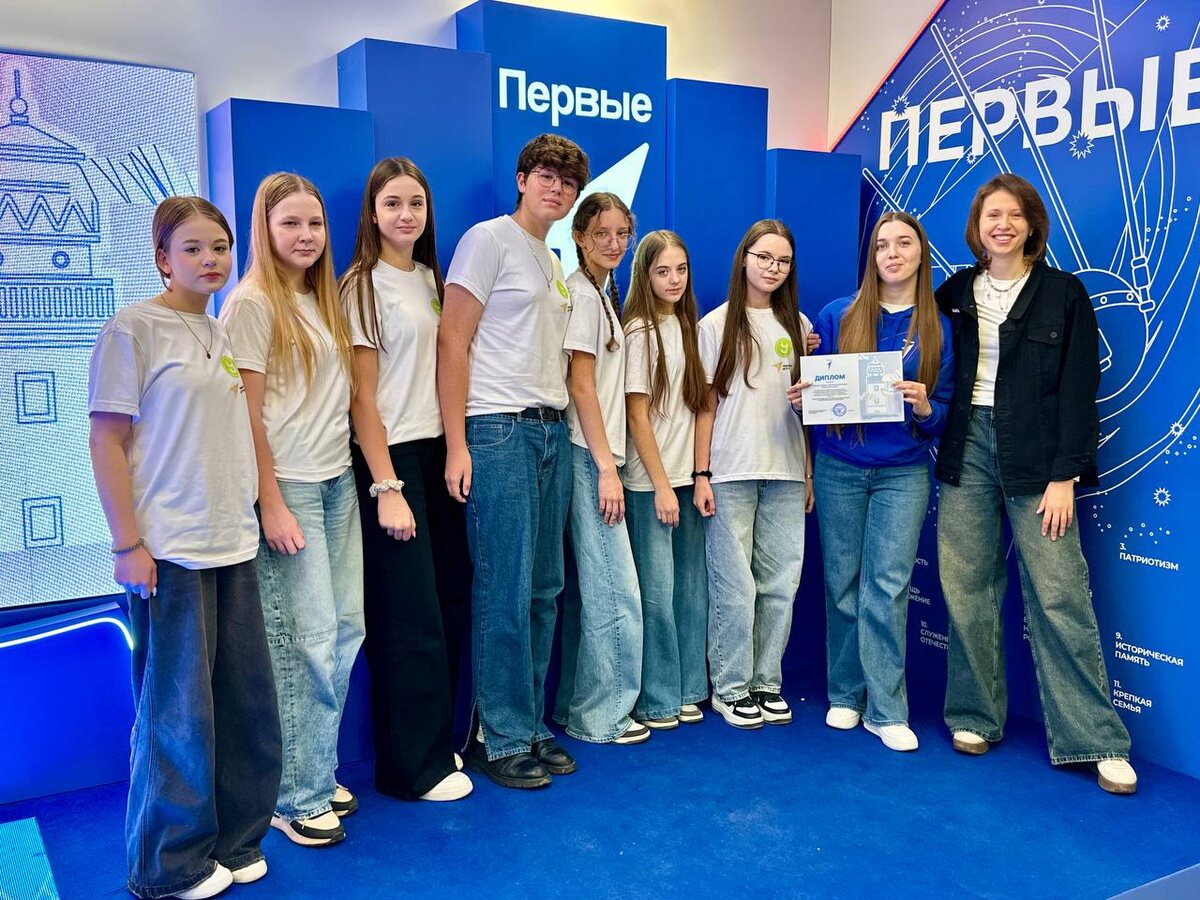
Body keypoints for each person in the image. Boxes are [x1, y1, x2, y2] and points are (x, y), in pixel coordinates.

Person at [89, 196, 281, 899]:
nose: (209, 259)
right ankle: (167, 867)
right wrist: (127, 543)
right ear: (162, 259)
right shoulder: (133, 328)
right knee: (177, 716)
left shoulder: (218, 330)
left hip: (232, 543)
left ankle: (234, 840)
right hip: (169, 551)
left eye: (219, 247)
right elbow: (106, 440)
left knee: (244, 706)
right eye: (193, 248)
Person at [935, 172, 1136, 794]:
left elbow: (1079, 389)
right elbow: (907, 341)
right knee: (967, 590)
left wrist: (1064, 475)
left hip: (1040, 460)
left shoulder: (1064, 293)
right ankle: (974, 716)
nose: (1002, 225)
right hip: (967, 449)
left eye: (1014, 215)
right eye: (991, 215)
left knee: (1058, 595)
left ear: (1031, 226)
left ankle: (1096, 740)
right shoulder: (954, 292)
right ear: (976, 227)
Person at [439, 133, 590, 789]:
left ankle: (527, 724)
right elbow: (452, 340)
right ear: (523, 179)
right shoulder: (488, 240)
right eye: (546, 176)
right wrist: (456, 442)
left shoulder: (552, 259)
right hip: (498, 428)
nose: (557, 189)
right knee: (503, 586)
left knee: (544, 588)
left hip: (551, 431)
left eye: (568, 182)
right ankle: (496, 735)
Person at [219, 173, 366, 844]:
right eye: (291, 224)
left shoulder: (325, 299)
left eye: (315, 223)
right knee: (304, 643)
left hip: (338, 483)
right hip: (290, 491)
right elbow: (243, 416)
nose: (306, 235)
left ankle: (315, 771)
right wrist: (270, 501)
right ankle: (293, 795)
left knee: (344, 632)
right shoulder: (251, 304)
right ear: (265, 229)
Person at [341, 157, 472, 802]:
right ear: (372, 213)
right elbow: (361, 398)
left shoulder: (431, 280)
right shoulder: (360, 287)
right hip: (389, 461)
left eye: (415, 203)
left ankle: (436, 746)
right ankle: (410, 771)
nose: (405, 214)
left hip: (437, 453)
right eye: (392, 203)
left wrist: (456, 449)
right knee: (408, 615)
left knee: (447, 602)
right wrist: (387, 487)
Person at [810, 211, 954, 752]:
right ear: (871, 257)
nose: (892, 253)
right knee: (842, 581)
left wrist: (925, 406)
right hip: (840, 466)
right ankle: (846, 694)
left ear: (921, 253)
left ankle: (887, 709)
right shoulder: (838, 314)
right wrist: (804, 397)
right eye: (882, 245)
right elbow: (818, 392)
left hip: (904, 472)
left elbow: (945, 414)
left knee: (888, 586)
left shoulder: (941, 327)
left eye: (903, 244)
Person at [693, 219, 812, 729]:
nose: (773, 268)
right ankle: (730, 686)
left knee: (781, 583)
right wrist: (701, 473)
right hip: (730, 470)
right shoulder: (715, 325)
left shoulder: (799, 325)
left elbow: (809, 409)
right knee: (735, 587)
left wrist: (807, 472)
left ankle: (766, 681)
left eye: (783, 261)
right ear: (744, 258)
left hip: (786, 471)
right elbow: (705, 406)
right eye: (764, 257)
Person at [553, 192, 649, 746]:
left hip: (595, 455)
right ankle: (602, 716)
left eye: (621, 234)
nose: (613, 243)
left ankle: (577, 706)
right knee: (616, 593)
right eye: (601, 234)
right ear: (580, 237)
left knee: (591, 591)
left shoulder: (600, 294)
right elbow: (581, 386)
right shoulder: (584, 297)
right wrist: (606, 469)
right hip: (591, 456)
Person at [622, 230, 710, 731]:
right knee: (656, 594)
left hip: (686, 480)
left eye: (681, 270)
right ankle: (657, 698)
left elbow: (698, 407)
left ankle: (688, 688)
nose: (674, 280)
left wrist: (697, 476)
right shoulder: (639, 331)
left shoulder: (688, 326)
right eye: (662, 271)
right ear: (645, 275)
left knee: (689, 591)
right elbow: (637, 416)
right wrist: (659, 485)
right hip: (648, 483)